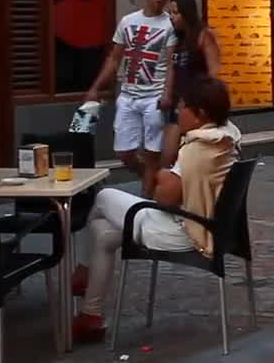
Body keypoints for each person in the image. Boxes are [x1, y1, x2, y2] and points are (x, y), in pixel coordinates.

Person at [72, 76, 240, 343]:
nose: (178, 113)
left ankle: (81, 270)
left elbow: (164, 197)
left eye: (183, 107)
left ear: (201, 114)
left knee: (103, 196)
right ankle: (90, 316)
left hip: (181, 231)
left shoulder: (197, 149)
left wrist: (159, 171)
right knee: (102, 232)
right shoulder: (225, 139)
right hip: (208, 226)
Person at [85, 0, 179, 198]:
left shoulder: (170, 26)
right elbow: (114, 57)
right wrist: (96, 88)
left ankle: (146, 198)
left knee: (151, 152)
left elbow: (170, 64)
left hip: (153, 97)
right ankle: (153, 178)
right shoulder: (128, 21)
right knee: (123, 152)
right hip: (128, 95)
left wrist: (167, 94)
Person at [159, 0, 220, 169]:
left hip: (195, 104)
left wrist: (203, 101)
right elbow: (172, 68)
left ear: (187, 13)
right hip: (177, 103)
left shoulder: (203, 35)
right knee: (168, 154)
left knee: (188, 154)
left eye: (175, 13)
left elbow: (214, 72)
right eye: (170, 13)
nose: (171, 17)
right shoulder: (177, 38)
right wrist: (167, 95)